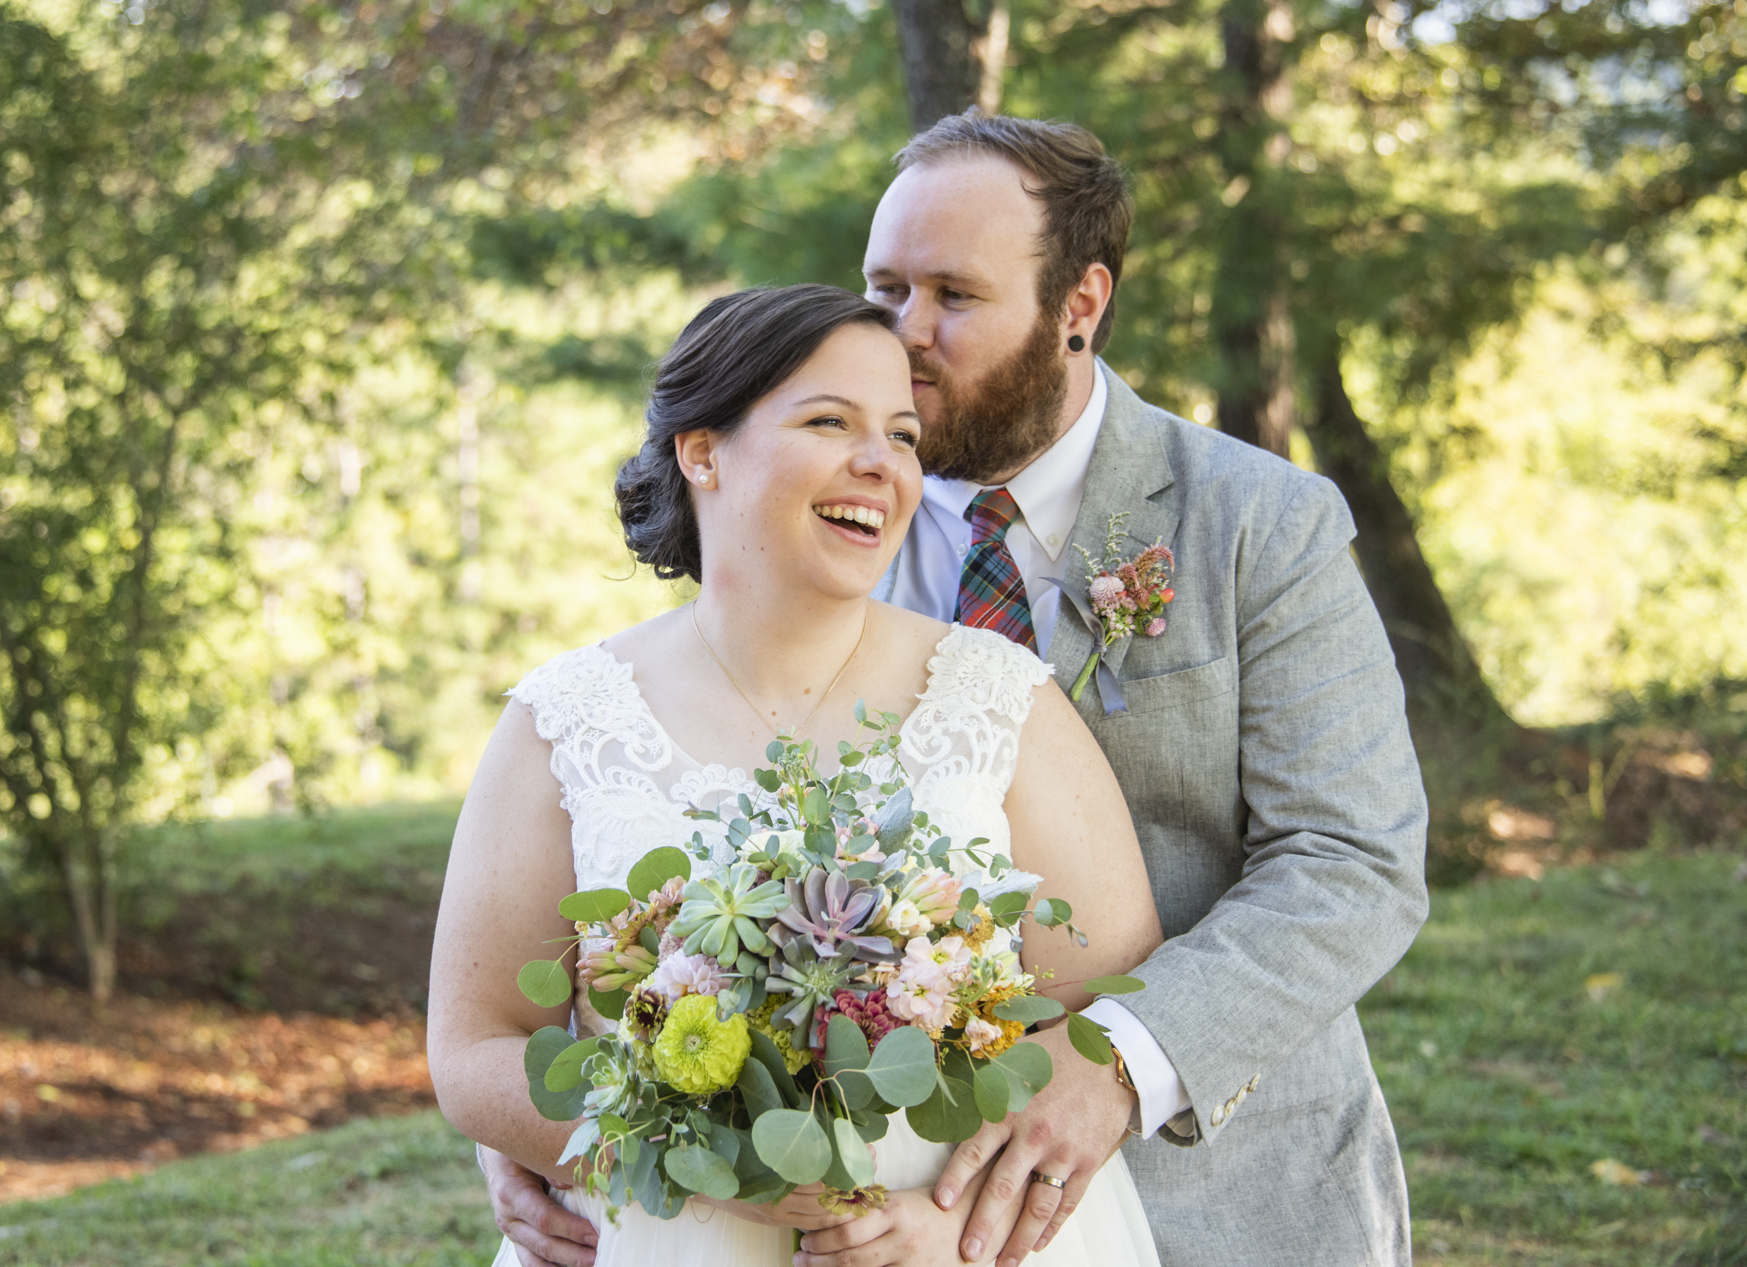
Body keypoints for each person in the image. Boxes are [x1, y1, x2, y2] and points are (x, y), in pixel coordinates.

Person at [484, 112, 1429, 1267]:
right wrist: (572, 1121)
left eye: (953, 297)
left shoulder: (1257, 523)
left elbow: (1353, 863)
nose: (906, 334)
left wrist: (1116, 1058)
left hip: (1222, 1168)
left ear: (1078, 306)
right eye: (885, 287)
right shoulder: (818, 515)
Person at [430, 283, 1168, 1267]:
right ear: (702, 449)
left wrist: (954, 1215)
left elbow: (1106, 1013)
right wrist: (701, 1152)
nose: (883, 463)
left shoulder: (999, 697)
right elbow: (476, 1046)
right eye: (829, 421)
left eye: (902, 435)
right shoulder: (565, 722)